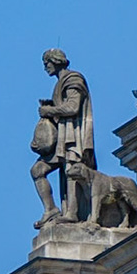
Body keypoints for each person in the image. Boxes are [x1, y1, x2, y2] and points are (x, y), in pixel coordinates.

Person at [29, 48, 94, 227]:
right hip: (62, 139)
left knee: (71, 170)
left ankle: (72, 213)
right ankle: (51, 210)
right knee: (37, 171)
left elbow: (73, 107)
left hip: (73, 137)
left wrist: (49, 111)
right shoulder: (59, 83)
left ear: (55, 61)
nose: (45, 68)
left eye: (46, 63)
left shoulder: (73, 79)